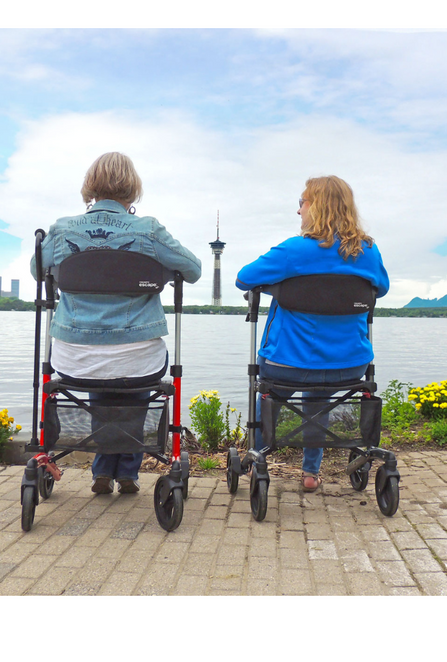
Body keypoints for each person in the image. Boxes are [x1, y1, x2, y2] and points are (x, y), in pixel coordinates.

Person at [31, 152, 201, 495]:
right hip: (136, 355)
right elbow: (194, 270)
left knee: (100, 384)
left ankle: (103, 470)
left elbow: (38, 271)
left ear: (90, 185)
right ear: (132, 187)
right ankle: (126, 470)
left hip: (74, 356)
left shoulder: (63, 229)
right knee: (132, 384)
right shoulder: (148, 229)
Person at [235, 175, 389, 492]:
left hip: (288, 363)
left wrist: (281, 286)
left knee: (272, 397)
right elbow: (381, 288)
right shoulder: (368, 252)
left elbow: (243, 278)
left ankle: (258, 457)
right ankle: (310, 472)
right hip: (348, 365)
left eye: (301, 203)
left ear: (315, 207)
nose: (298, 211)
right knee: (318, 400)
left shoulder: (293, 250)